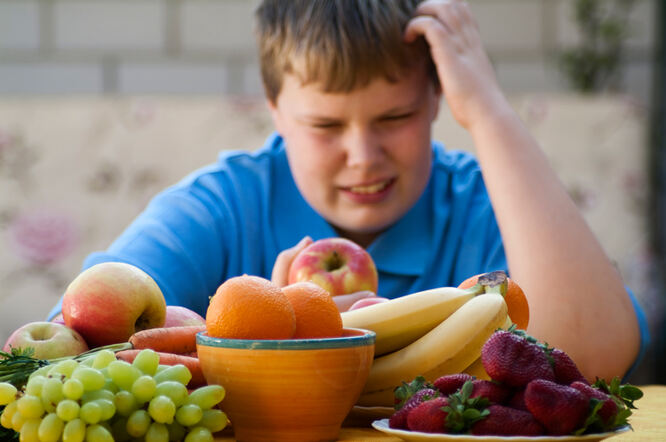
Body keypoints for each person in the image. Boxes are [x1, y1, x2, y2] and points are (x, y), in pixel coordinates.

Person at [48, 0, 647, 381]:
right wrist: (262, 342)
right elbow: (69, 347)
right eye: (326, 125)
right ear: (274, 110)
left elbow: (594, 361)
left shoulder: (489, 203)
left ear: (437, 100)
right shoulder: (223, 205)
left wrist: (488, 111)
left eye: (395, 118)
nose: (363, 156)